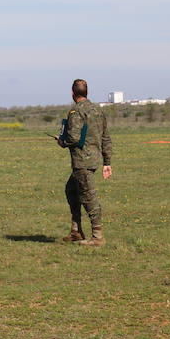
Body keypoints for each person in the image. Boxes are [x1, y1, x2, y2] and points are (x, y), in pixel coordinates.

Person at [56, 79, 112, 247]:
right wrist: (107, 162)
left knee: (89, 197)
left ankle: (97, 236)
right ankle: (76, 230)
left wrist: (62, 142)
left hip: (82, 161)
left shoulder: (75, 111)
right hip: (94, 159)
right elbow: (106, 137)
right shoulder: (97, 110)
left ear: (73, 94)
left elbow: (72, 137)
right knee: (71, 190)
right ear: (86, 92)